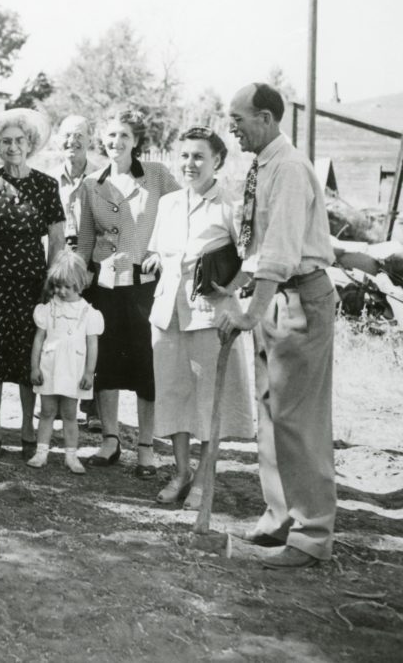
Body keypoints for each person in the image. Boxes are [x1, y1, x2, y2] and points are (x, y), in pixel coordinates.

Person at [215, 83, 336, 569]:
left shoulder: (287, 168)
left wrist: (248, 313)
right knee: (271, 414)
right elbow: (258, 248)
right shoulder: (263, 165)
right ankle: (280, 518)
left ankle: (311, 536)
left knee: (297, 420)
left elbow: (282, 254)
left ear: (265, 118)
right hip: (276, 299)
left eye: (238, 119)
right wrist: (235, 296)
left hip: (298, 298)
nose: (232, 128)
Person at [143, 127, 253, 509]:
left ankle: (205, 480)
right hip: (167, 312)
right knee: (173, 396)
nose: (190, 164)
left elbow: (252, 261)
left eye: (199, 157)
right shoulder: (170, 202)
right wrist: (155, 259)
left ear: (217, 161)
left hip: (210, 316)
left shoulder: (230, 206)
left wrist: (230, 289)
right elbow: (159, 249)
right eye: (185, 155)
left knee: (208, 401)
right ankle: (181, 472)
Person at [0, 109, 66, 459]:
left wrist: (51, 282)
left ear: (30, 144)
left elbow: (58, 239)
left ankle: (27, 428)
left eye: (19, 140)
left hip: (32, 283)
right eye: (6, 142)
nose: (13, 147)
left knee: (26, 354)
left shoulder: (47, 186)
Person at [76, 108, 179, 476]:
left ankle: (147, 449)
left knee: (144, 367)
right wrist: (82, 279)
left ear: (135, 141)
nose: (115, 142)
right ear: (101, 140)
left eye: (123, 135)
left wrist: (160, 251)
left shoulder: (157, 176)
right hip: (104, 287)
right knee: (105, 364)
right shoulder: (91, 183)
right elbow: (86, 236)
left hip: (144, 288)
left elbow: (181, 216)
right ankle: (109, 440)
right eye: (109, 135)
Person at [49, 114, 102, 432]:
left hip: (92, 256)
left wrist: (90, 265)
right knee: (58, 329)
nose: (73, 141)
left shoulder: (101, 177)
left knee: (89, 330)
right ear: (59, 140)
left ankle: (92, 408)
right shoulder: (49, 178)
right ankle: (55, 404)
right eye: (67, 135)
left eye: (80, 135)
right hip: (58, 255)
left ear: (90, 139)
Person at [28, 249, 102, 472]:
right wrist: (34, 367)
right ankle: (41, 452)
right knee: (47, 411)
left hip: (73, 370)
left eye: (67, 287)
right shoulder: (47, 309)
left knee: (70, 413)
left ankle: (71, 456)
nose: (61, 291)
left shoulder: (89, 313)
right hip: (50, 367)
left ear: (79, 284)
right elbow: (38, 340)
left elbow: (92, 345)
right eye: (57, 286)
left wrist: (89, 372)